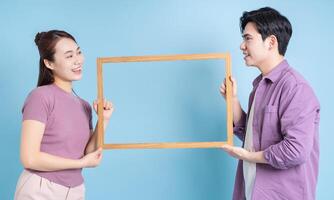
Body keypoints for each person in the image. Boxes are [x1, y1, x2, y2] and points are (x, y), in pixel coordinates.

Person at [220, 7, 320, 200]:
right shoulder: (260, 86)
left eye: (248, 38)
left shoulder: (295, 88)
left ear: (271, 42)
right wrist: (232, 101)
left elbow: (295, 150)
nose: (242, 46)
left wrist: (247, 156)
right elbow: (254, 137)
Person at [14, 30, 113, 199]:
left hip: (75, 191)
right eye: (69, 56)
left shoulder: (83, 105)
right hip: (41, 189)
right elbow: (29, 158)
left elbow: (87, 151)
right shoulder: (40, 97)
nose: (78, 60)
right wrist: (81, 164)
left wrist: (103, 120)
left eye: (79, 52)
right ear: (49, 63)